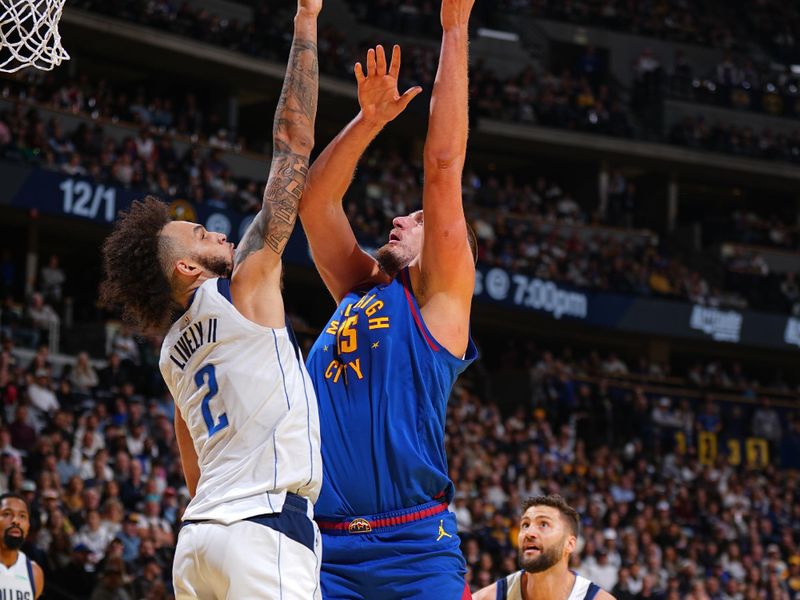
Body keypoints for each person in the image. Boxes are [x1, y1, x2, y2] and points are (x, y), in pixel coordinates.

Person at [98, 0, 323, 597]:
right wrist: (305, 21)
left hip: (199, 541)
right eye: (201, 235)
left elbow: (191, 458)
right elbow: (291, 147)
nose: (218, 231)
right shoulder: (245, 286)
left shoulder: (172, 351)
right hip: (262, 527)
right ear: (188, 267)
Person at [301, 1, 477, 597]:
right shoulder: (362, 287)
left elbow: (443, 164)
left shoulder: (439, 300)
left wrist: (455, 28)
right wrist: (369, 120)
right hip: (323, 544)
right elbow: (315, 205)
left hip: (413, 547)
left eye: (420, 219)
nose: (400, 217)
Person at [473, 496, 615, 600]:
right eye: (525, 525)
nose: (529, 533)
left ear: (570, 544)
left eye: (544, 524)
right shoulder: (486, 598)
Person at [0, 493, 45, 598]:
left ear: (28, 526)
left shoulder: (35, 573)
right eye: (7, 514)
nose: (16, 521)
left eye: (22, 516)